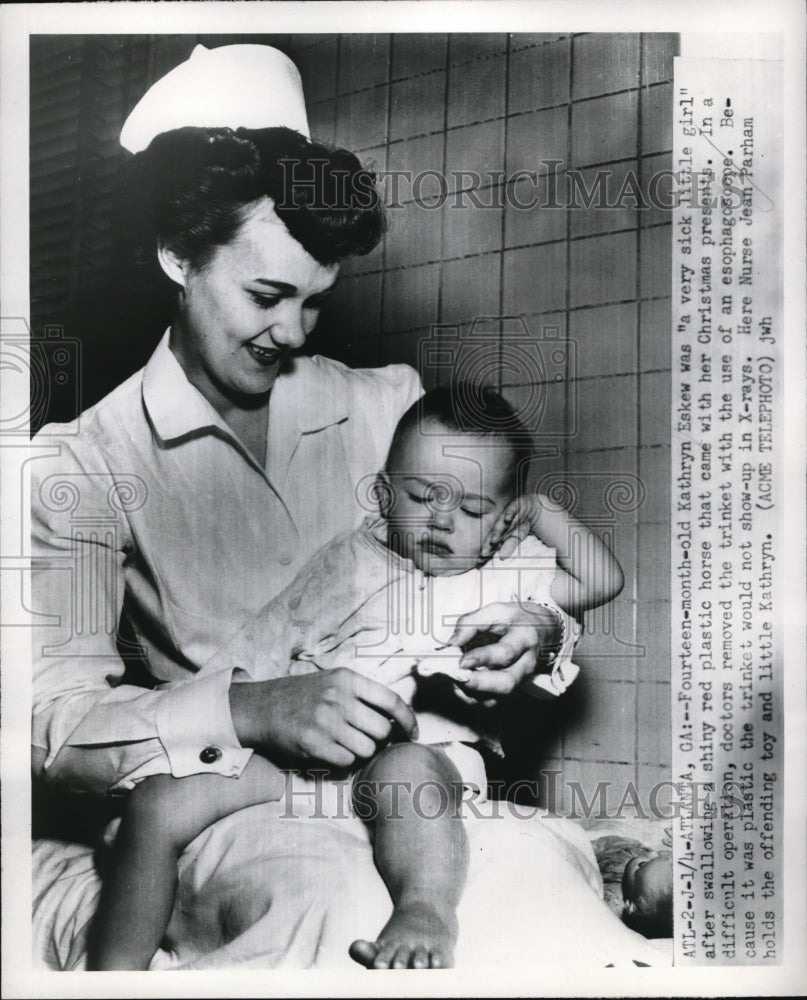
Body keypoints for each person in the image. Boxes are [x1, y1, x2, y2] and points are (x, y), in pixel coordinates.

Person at [31, 44, 572, 968]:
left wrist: (536, 634)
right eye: (267, 295)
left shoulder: (386, 406)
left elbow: (508, 551)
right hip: (232, 798)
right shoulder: (84, 463)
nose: (291, 333)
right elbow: (54, 726)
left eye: (316, 303)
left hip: (410, 779)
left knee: (535, 896)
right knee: (330, 911)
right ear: (176, 253)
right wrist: (247, 709)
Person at [86, 385, 624, 970]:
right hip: (304, 769)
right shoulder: (347, 561)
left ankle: (424, 912)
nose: (443, 521)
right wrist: (197, 737)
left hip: (422, 756)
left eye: (472, 509)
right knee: (158, 804)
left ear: (502, 517)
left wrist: (542, 511)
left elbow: (602, 580)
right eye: (422, 497)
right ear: (386, 491)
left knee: (406, 776)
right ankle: (113, 972)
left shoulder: (506, 573)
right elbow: (262, 648)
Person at [593, 836, 674, 939]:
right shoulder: (652, 873)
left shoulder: (615, 901)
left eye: (642, 864)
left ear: (631, 906)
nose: (653, 854)